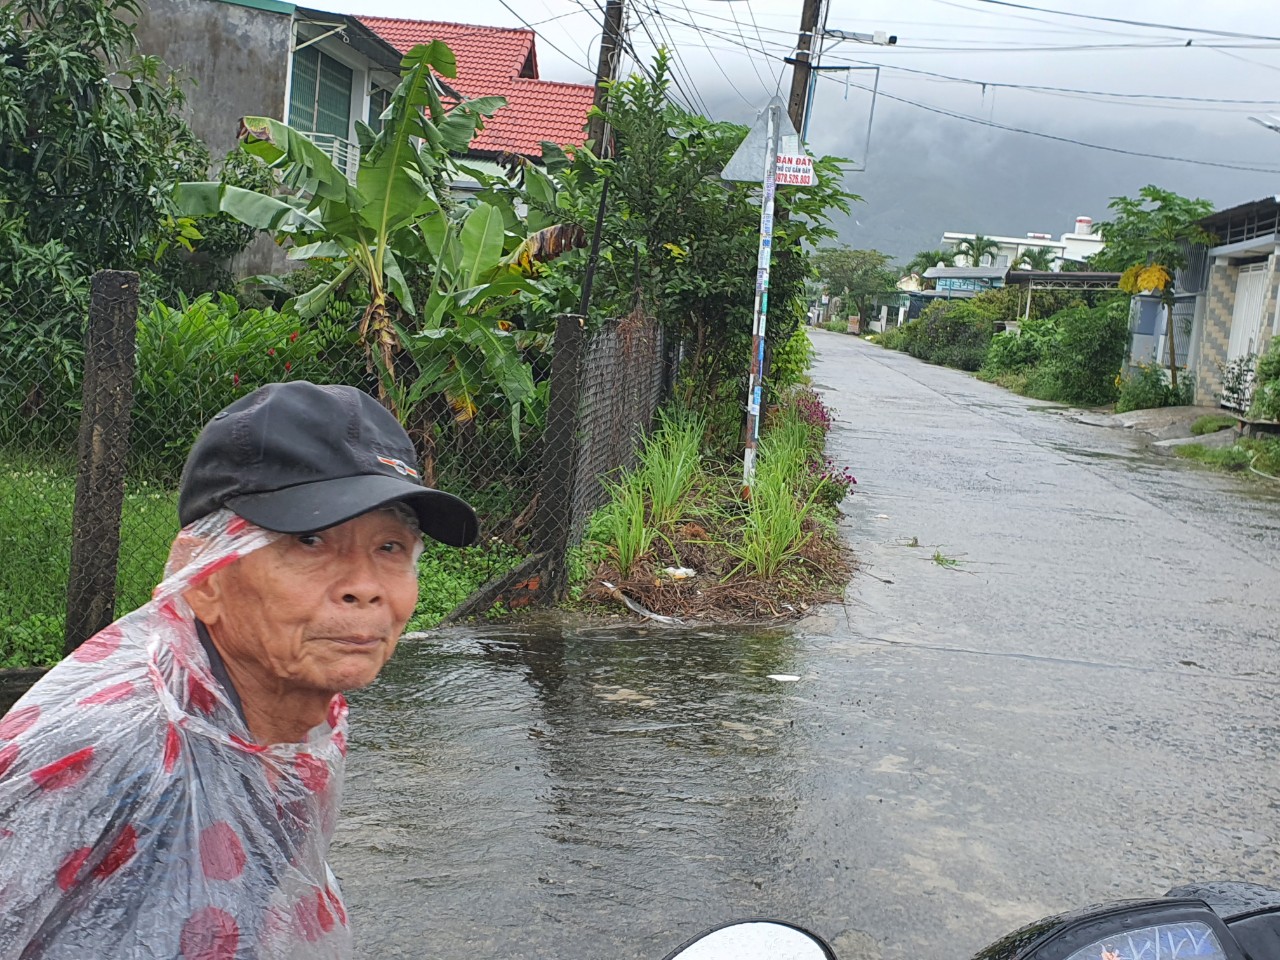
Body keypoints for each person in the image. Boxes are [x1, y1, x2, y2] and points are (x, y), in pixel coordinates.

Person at [0, 382, 477, 958]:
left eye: (391, 548)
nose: (366, 589)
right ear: (203, 577)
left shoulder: (297, 707)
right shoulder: (114, 747)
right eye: (308, 540)